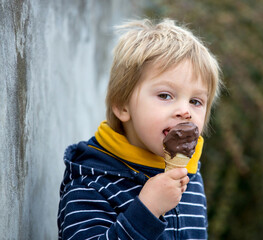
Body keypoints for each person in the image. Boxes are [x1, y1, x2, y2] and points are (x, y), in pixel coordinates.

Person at [57, 18, 222, 240]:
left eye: (196, 101)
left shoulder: (191, 176)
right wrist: (147, 211)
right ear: (122, 105)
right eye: (165, 95)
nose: (185, 111)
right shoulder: (91, 182)